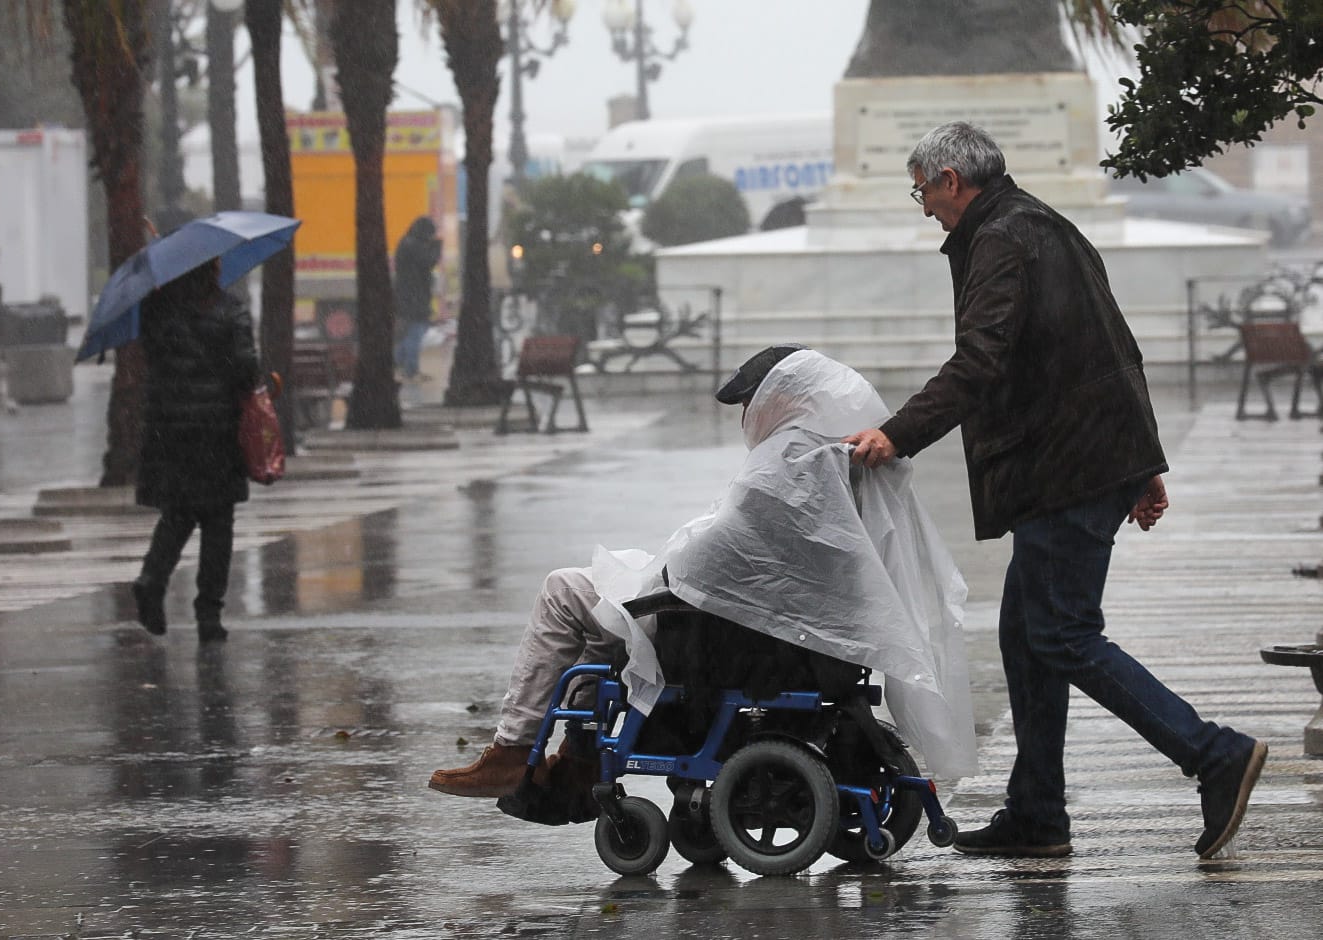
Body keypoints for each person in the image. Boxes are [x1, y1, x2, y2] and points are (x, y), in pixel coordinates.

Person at [843, 121, 1267, 860]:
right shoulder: (1041, 225)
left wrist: (895, 434)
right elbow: (1110, 342)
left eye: (921, 191)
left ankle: (1212, 754)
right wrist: (1139, 461)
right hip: (1086, 458)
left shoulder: (1003, 238)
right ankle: (1036, 812)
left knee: (1062, 634)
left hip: (1064, 465)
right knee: (1024, 635)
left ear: (950, 179)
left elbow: (979, 361)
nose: (922, 208)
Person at [429, 344, 978, 806]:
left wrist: (655, 571)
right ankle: (576, 757)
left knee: (563, 591)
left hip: (719, 638)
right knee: (604, 607)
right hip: (779, 635)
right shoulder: (837, 457)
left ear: (781, 399)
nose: (745, 416)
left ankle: (512, 748)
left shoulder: (786, 466)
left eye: (748, 403)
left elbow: (704, 565)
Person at [131, 256, 260, 643]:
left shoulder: (157, 310)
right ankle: (208, 613)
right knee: (218, 524)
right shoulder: (230, 309)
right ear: (215, 269)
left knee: (178, 515)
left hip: (169, 430)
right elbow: (245, 369)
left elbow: (150, 358)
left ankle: (152, 579)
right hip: (217, 430)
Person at [393, 216, 441, 381]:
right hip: (415, 297)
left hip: (407, 295)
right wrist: (437, 246)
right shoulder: (414, 245)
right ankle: (410, 369)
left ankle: (397, 362)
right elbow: (429, 262)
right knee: (416, 332)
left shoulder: (406, 243)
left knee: (410, 332)